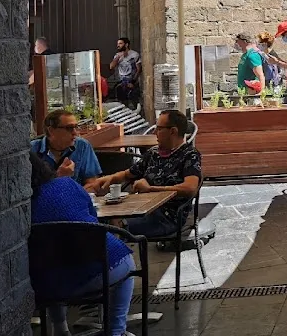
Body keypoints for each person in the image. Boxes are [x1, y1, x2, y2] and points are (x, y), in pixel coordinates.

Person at [28, 151, 136, 336]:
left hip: (46, 286)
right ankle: (116, 331)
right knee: (126, 261)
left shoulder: (21, 206)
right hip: (100, 272)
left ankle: (60, 328)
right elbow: (93, 221)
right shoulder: (66, 184)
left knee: (54, 259)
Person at [91, 110, 202, 237]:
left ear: (173, 131)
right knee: (97, 220)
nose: (155, 132)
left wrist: (150, 189)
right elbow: (128, 174)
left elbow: (190, 188)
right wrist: (106, 179)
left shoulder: (190, 155)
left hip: (166, 217)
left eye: (159, 128)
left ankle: (118, 254)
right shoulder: (154, 153)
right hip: (142, 208)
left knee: (111, 229)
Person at [30, 109, 102, 189]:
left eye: (76, 127)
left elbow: (92, 183)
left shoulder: (82, 146)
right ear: (51, 131)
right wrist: (60, 177)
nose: (75, 132)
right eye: (69, 128)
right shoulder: (32, 150)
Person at [109, 37, 141, 107]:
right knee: (122, 104)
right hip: (121, 83)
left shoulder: (134, 54)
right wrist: (118, 57)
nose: (118, 45)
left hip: (132, 83)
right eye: (118, 44)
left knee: (134, 103)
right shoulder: (117, 55)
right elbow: (111, 67)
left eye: (120, 43)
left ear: (126, 45)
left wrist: (133, 82)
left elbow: (138, 69)